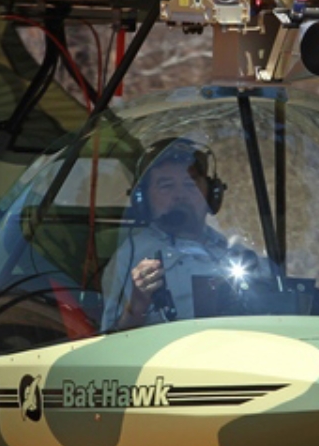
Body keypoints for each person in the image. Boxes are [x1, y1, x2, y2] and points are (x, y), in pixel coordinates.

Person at [100, 137, 254, 331]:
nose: (180, 195)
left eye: (190, 185)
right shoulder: (130, 256)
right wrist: (137, 305)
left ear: (212, 193)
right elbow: (110, 343)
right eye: (166, 186)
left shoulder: (235, 256)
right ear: (143, 199)